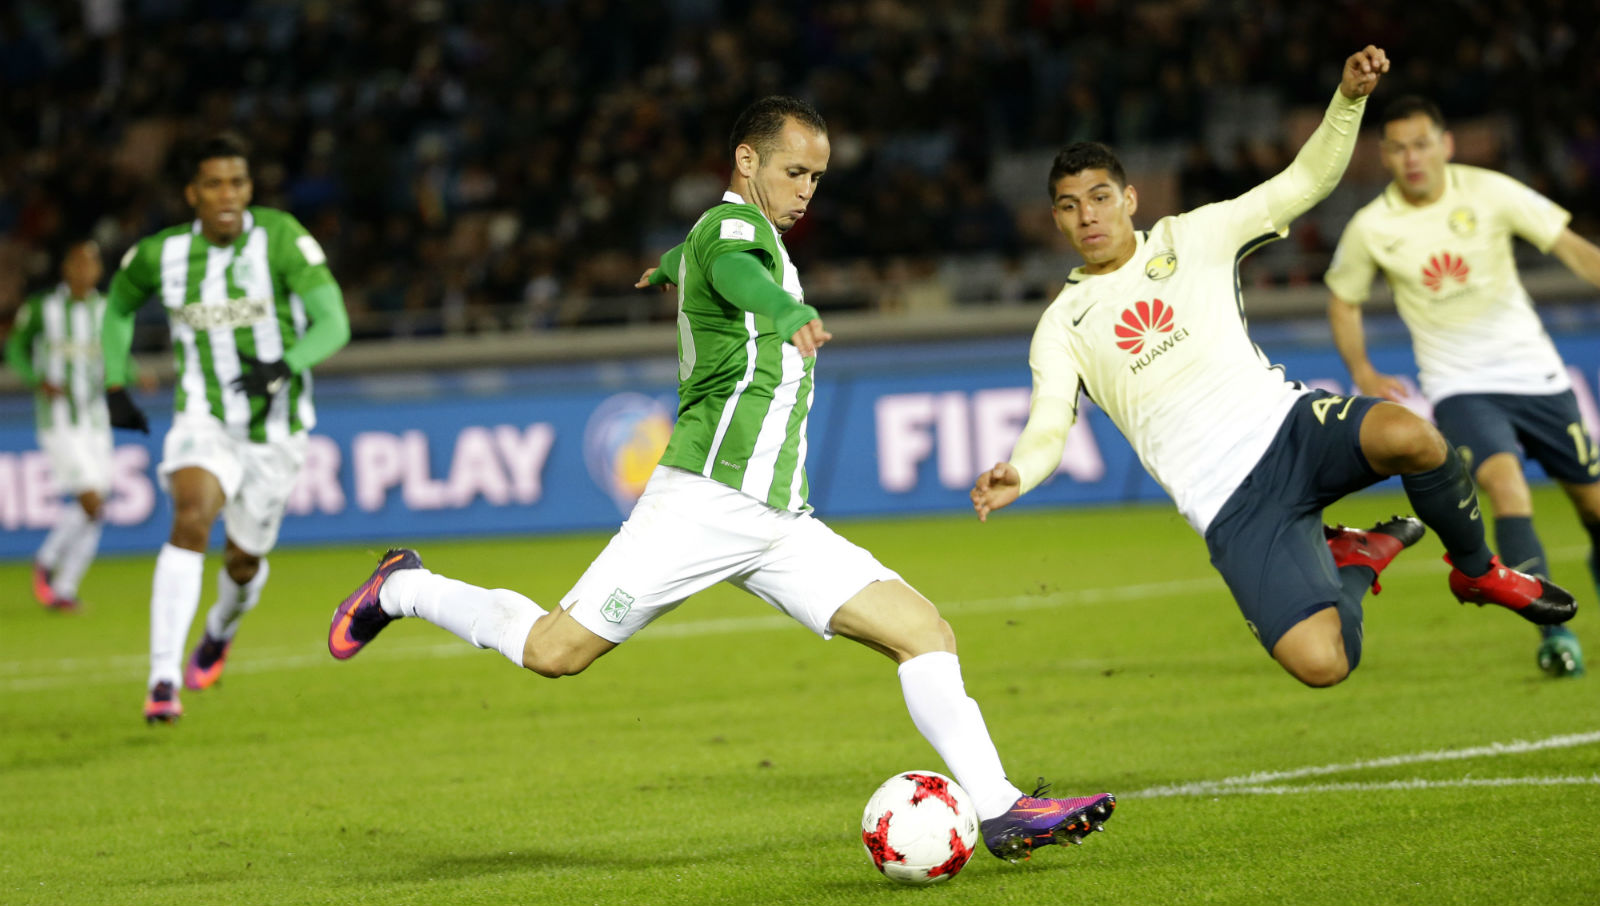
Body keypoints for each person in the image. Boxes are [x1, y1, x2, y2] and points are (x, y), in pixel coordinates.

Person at [328, 96, 1116, 863]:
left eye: (817, 176)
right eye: (795, 170)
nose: (807, 189)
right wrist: (778, 309)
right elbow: (736, 270)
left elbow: (703, 259)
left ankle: (1002, 808)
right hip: (702, 505)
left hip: (776, 519)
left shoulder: (724, 236)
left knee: (922, 631)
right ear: (747, 160)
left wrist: (666, 267)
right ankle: (402, 587)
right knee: (554, 651)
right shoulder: (736, 230)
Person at [970, 47, 1577, 689]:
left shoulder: (1195, 236)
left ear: (1130, 198)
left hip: (1289, 428)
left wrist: (1348, 100)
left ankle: (1479, 571)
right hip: (1227, 501)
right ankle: (1357, 558)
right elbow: (1047, 426)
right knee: (1324, 665)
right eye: (1069, 205)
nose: (1087, 215)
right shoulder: (1063, 323)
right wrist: (1021, 471)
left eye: (1099, 197)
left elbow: (1305, 181)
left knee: (1415, 437)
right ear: (1056, 219)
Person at [1325, 95, 1600, 679]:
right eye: (1397, 148)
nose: (1411, 158)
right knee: (1505, 486)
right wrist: (1363, 371)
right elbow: (1343, 301)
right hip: (1459, 386)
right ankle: (1554, 634)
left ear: (1445, 144)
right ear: (1384, 156)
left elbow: (1569, 245)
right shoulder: (1373, 226)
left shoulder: (1491, 191)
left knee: (1593, 505)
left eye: (1421, 143)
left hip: (1539, 375)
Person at [103, 133, 351, 723]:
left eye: (236, 182)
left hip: (276, 430)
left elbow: (333, 321)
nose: (227, 194)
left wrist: (283, 365)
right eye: (213, 183)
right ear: (192, 193)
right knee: (190, 519)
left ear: (248, 188)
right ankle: (163, 679)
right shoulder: (159, 255)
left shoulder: (283, 239)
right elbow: (115, 307)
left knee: (243, 561)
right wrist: (115, 381)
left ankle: (220, 629)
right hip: (203, 415)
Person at [6, 240, 113, 612]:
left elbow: (117, 355)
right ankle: (48, 560)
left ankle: (65, 588)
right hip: (59, 421)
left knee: (96, 508)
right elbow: (15, 348)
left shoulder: (107, 310)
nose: (85, 271)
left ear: (99, 271)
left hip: (97, 420)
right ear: (66, 268)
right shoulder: (43, 308)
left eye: (91, 265)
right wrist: (37, 378)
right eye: (78, 263)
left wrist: (132, 374)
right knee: (91, 500)